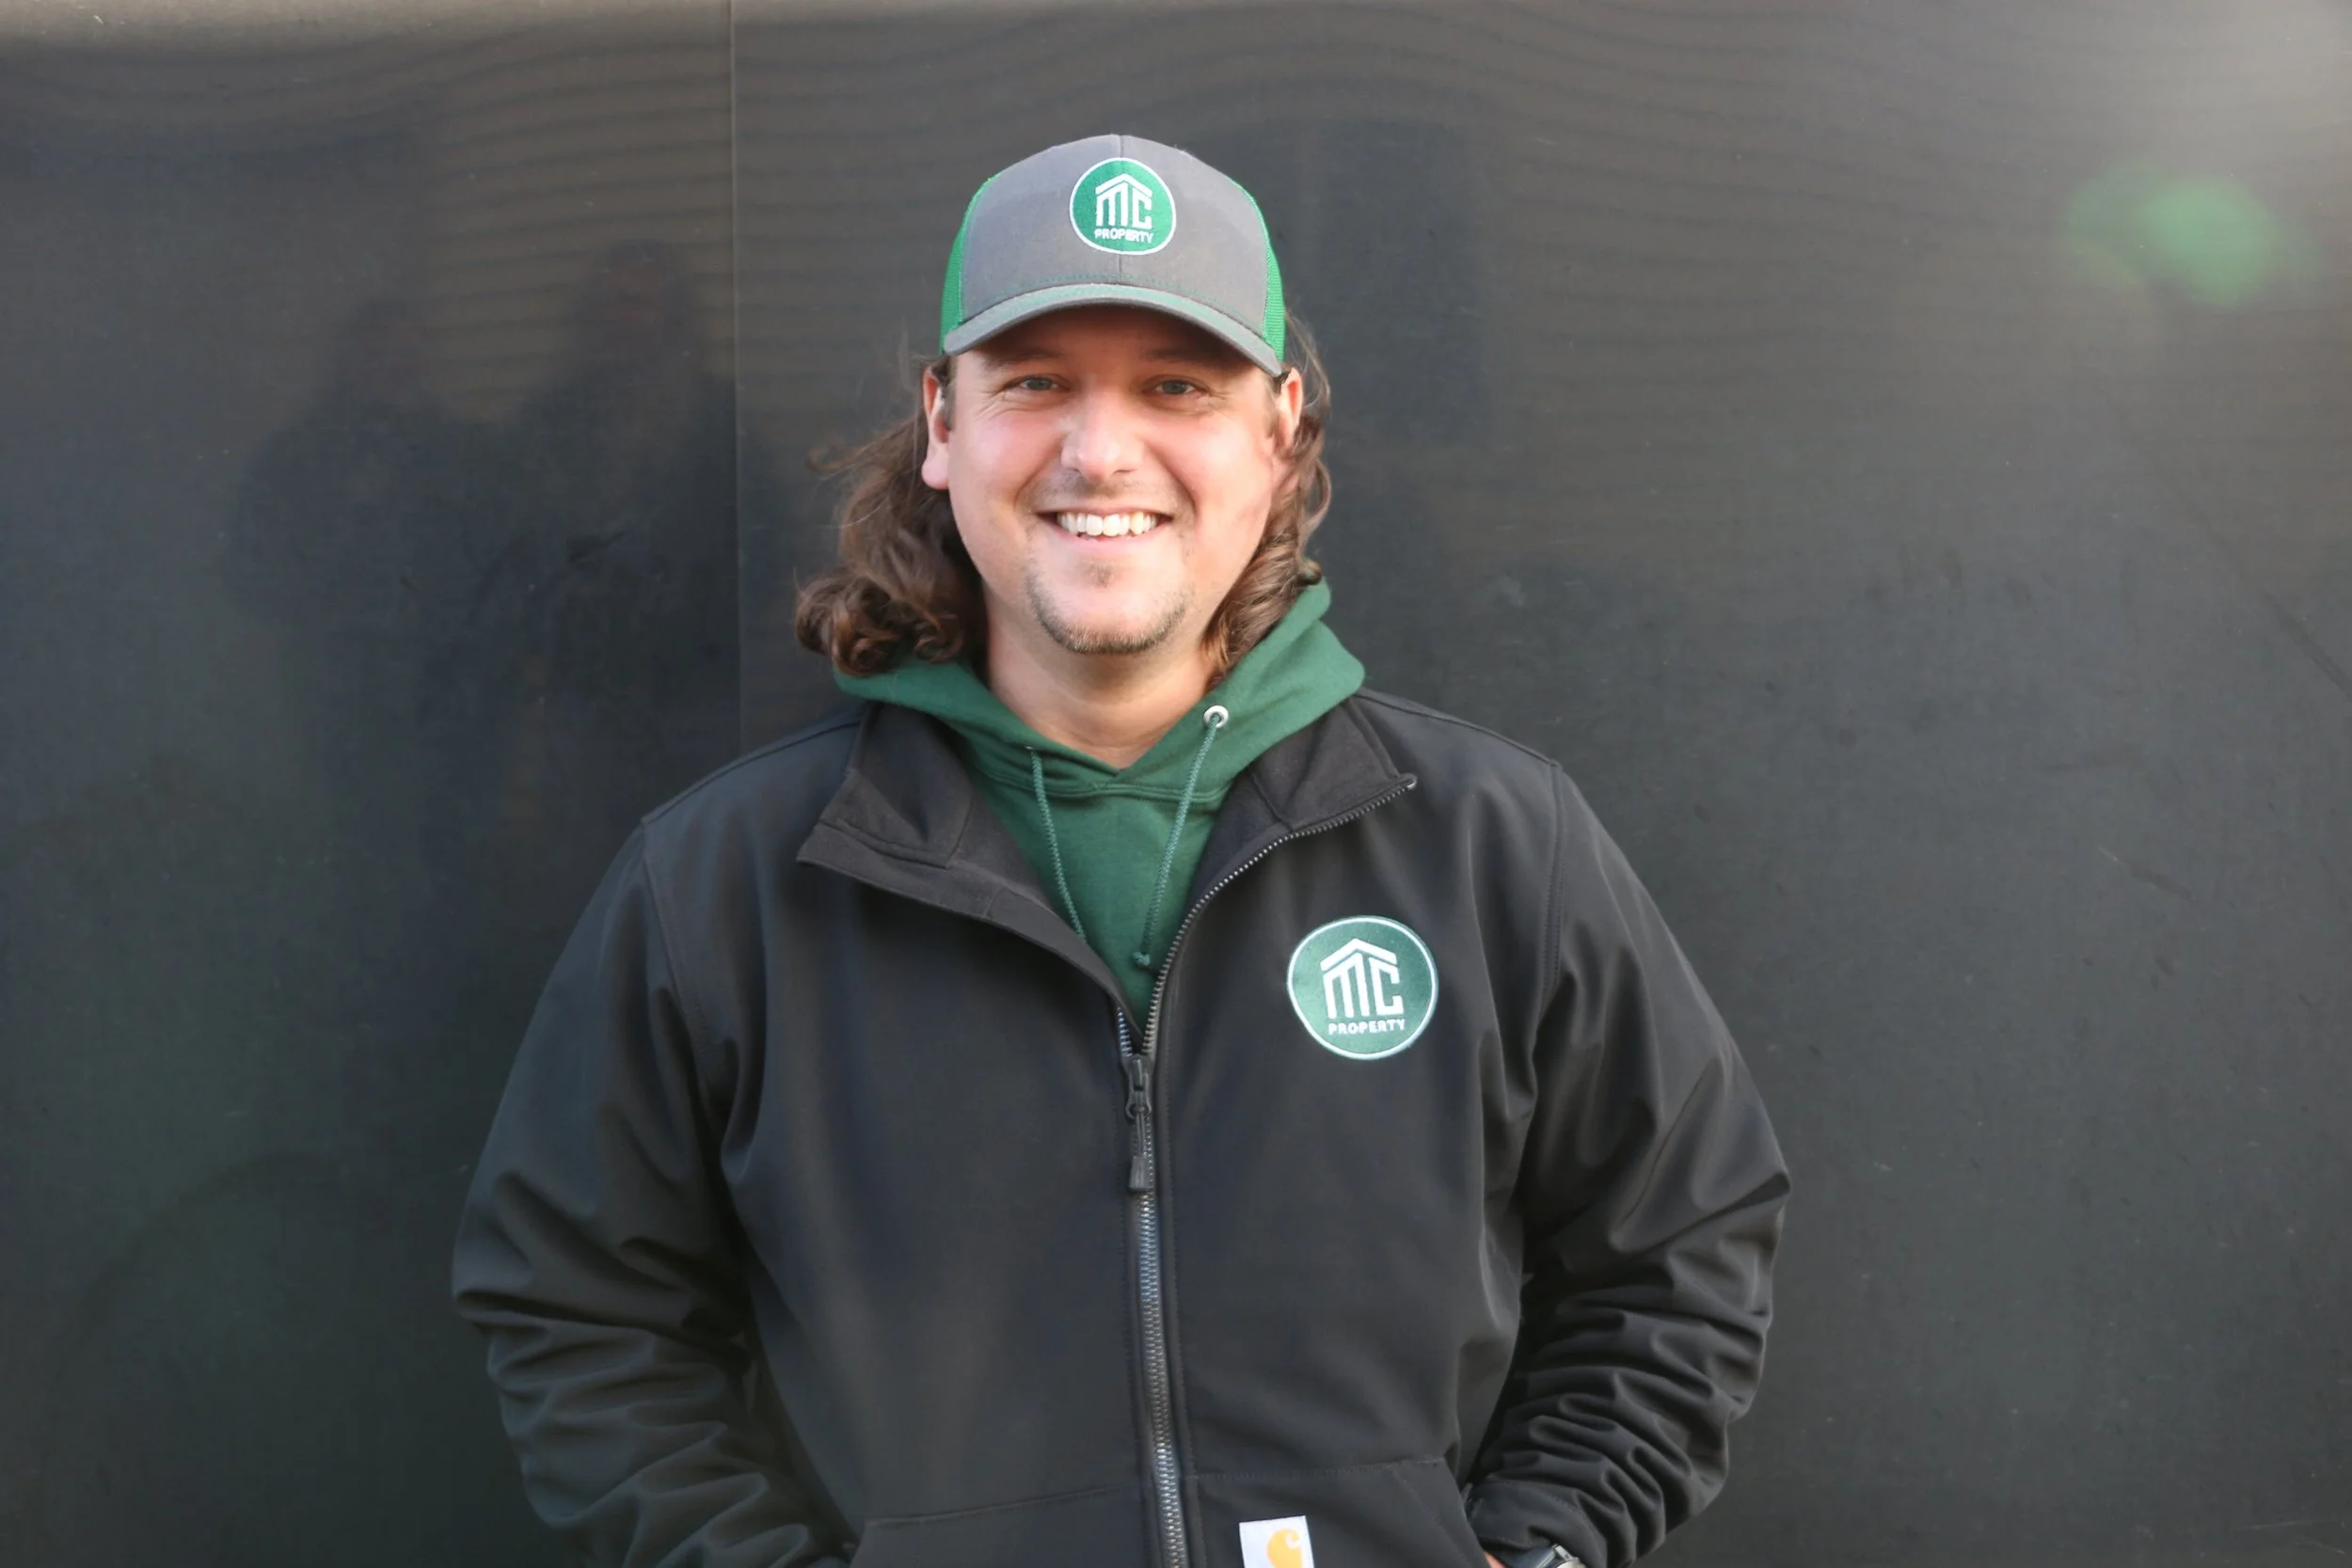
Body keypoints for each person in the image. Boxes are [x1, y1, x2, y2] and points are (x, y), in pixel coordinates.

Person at [453, 134, 1789, 1568]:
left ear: (1278, 431)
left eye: (1177, 387)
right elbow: (578, 1311)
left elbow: (1681, 1244)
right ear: (942, 423)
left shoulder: (1491, 841)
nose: (1102, 451)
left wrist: (1547, 1543)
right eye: (1035, 383)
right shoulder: (724, 884)